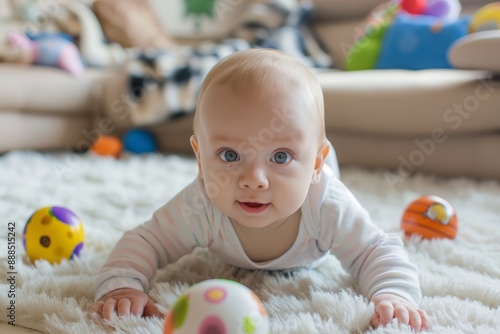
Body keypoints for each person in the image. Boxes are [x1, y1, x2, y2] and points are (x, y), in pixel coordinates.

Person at [91, 49, 428, 331]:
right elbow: (146, 240)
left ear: (313, 165)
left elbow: (375, 251)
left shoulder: (326, 204)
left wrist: (394, 295)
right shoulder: (202, 202)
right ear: (199, 158)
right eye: (229, 155)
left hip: (311, 191)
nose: (254, 179)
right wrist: (122, 285)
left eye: (280, 156)